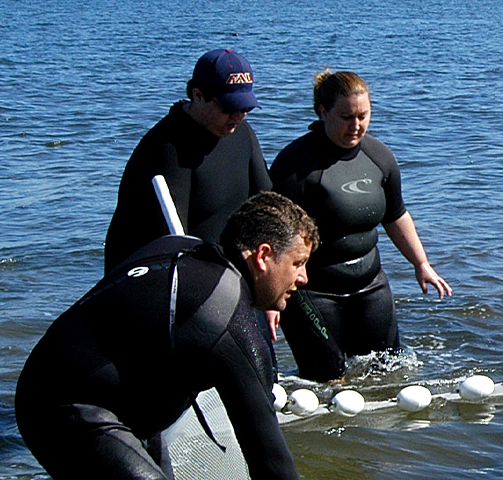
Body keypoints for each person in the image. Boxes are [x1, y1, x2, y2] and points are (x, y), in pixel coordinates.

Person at [17, 192, 316, 479]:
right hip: (66, 407)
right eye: (297, 263)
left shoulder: (179, 247)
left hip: (103, 400)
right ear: (263, 255)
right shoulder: (226, 318)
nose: (303, 278)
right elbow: (270, 460)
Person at [269, 69, 451, 382]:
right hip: (313, 291)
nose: (356, 126)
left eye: (363, 116)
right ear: (323, 112)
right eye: (346, 117)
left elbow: (395, 215)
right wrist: (272, 297)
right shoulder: (295, 165)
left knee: (388, 373)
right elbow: (275, 236)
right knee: (327, 381)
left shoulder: (379, 157)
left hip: (370, 285)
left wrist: (421, 263)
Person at [105, 48, 271, 272]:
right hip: (160, 277)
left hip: (221, 272)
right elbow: (169, 239)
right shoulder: (167, 149)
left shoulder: (242, 134)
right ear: (198, 95)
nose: (238, 116)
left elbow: (268, 205)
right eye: (229, 107)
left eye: (245, 107)